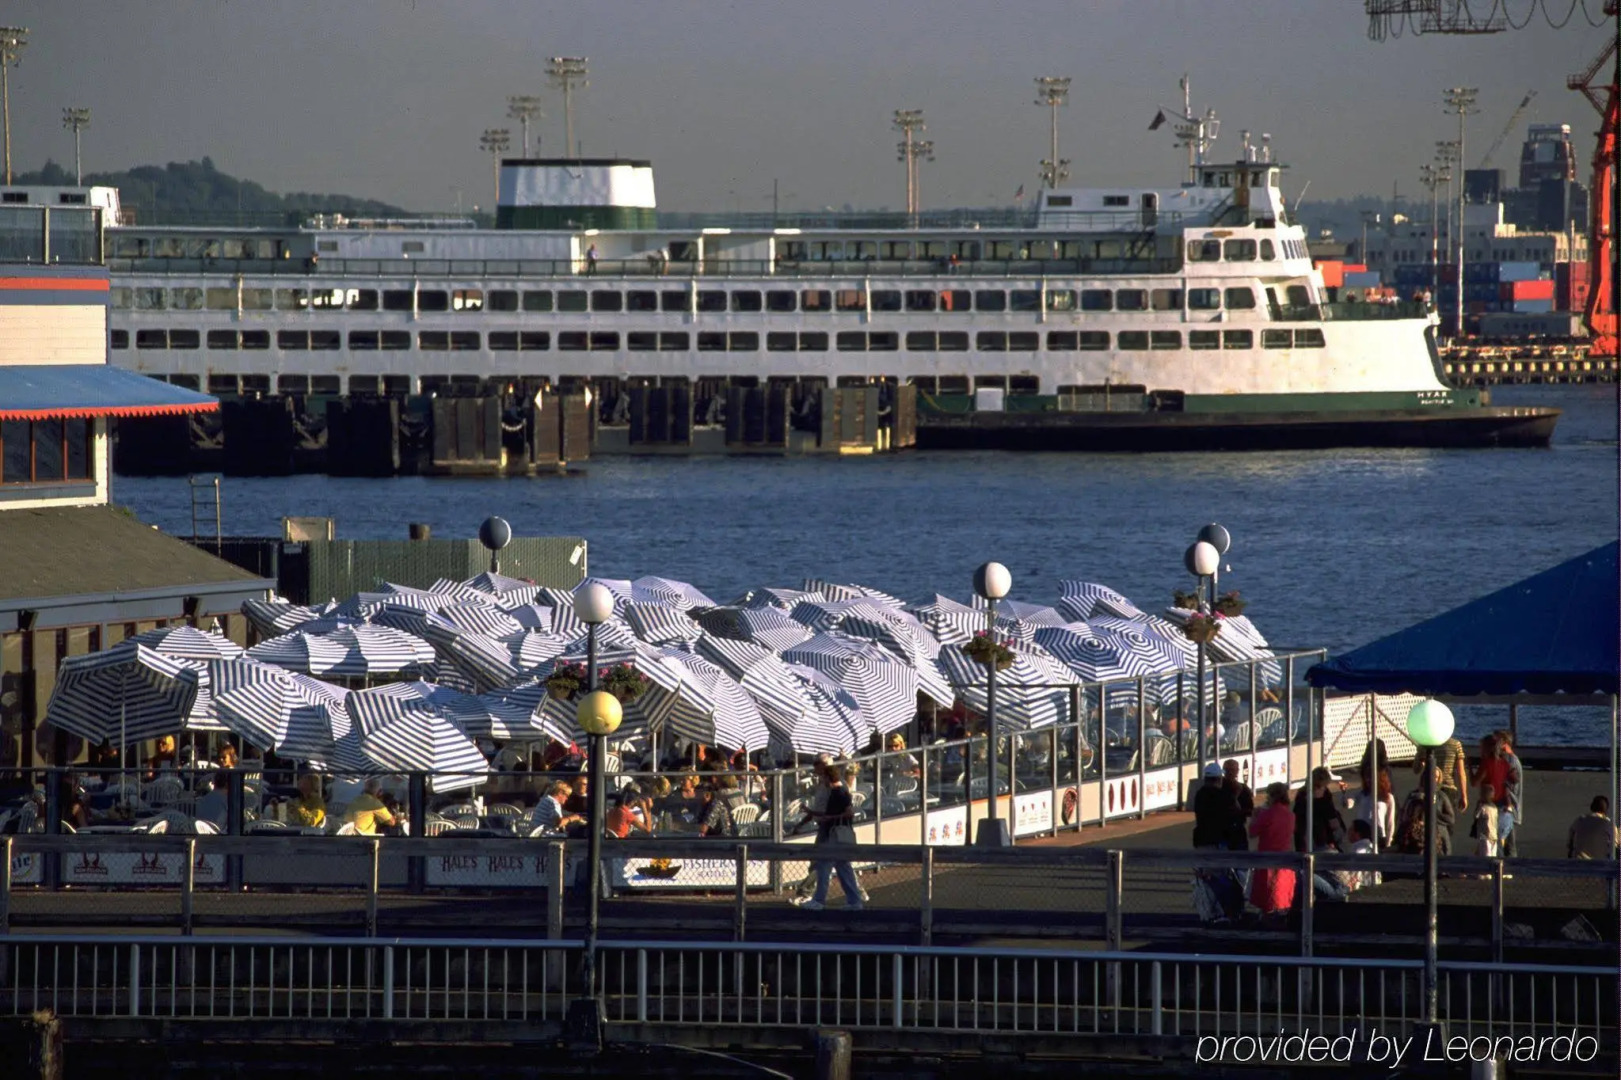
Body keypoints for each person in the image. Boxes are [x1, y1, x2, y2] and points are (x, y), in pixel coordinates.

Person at [792, 757, 864, 911]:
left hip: (835, 834)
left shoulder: (840, 792)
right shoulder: (836, 792)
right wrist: (811, 812)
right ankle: (854, 900)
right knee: (842, 866)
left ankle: (819, 900)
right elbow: (830, 812)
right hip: (833, 832)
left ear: (827, 777)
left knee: (825, 865)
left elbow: (848, 813)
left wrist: (829, 818)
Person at [1248, 782, 1297, 917]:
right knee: (1282, 895)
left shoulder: (1267, 814)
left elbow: (1252, 832)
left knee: (1266, 896)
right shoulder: (1290, 815)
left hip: (1266, 859)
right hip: (1285, 860)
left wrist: (1255, 817)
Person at [1395, 765, 1456, 856]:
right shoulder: (1413, 794)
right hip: (1416, 837)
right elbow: (1404, 814)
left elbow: (1451, 819)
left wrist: (1433, 810)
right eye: (1430, 775)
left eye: (1435, 777)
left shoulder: (1441, 796)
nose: (1432, 779)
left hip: (1438, 836)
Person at [1294, 768, 1346, 853]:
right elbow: (1334, 823)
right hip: (1322, 842)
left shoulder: (1301, 795)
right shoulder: (1324, 798)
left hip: (1304, 841)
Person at [1493, 730, 1524, 858]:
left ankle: (1509, 868)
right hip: (1509, 806)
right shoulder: (1512, 759)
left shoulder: (1509, 760)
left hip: (1506, 806)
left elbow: (1507, 784)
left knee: (1505, 841)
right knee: (1508, 842)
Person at [1192, 762, 1235, 849]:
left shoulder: (1200, 794)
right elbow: (1233, 812)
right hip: (1219, 840)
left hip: (1202, 839)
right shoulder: (1224, 795)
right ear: (1219, 779)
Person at [1352, 767, 1396, 849]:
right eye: (1366, 778)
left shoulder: (1388, 797)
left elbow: (1390, 822)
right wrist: (1346, 798)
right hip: (1362, 835)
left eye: (1370, 778)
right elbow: (1350, 802)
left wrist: (1389, 840)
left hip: (1378, 835)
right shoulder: (1362, 794)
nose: (1368, 781)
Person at [1567, 796, 1619, 860]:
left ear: (1592, 807)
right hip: (1601, 863)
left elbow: (1570, 843)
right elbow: (1614, 847)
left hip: (1579, 860)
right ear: (1606, 809)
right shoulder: (1609, 824)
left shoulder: (1579, 820)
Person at [1222, 759, 1255, 852]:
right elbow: (1249, 811)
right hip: (1231, 829)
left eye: (1232, 770)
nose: (1230, 773)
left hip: (1233, 829)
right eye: (1228, 770)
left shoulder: (1218, 788)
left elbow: (1249, 810)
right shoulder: (1243, 789)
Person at [1471, 782, 1500, 858]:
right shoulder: (1494, 808)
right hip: (1492, 835)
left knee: (1486, 858)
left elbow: (1475, 816)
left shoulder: (1482, 807)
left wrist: (1478, 805)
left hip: (1486, 836)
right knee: (1491, 857)